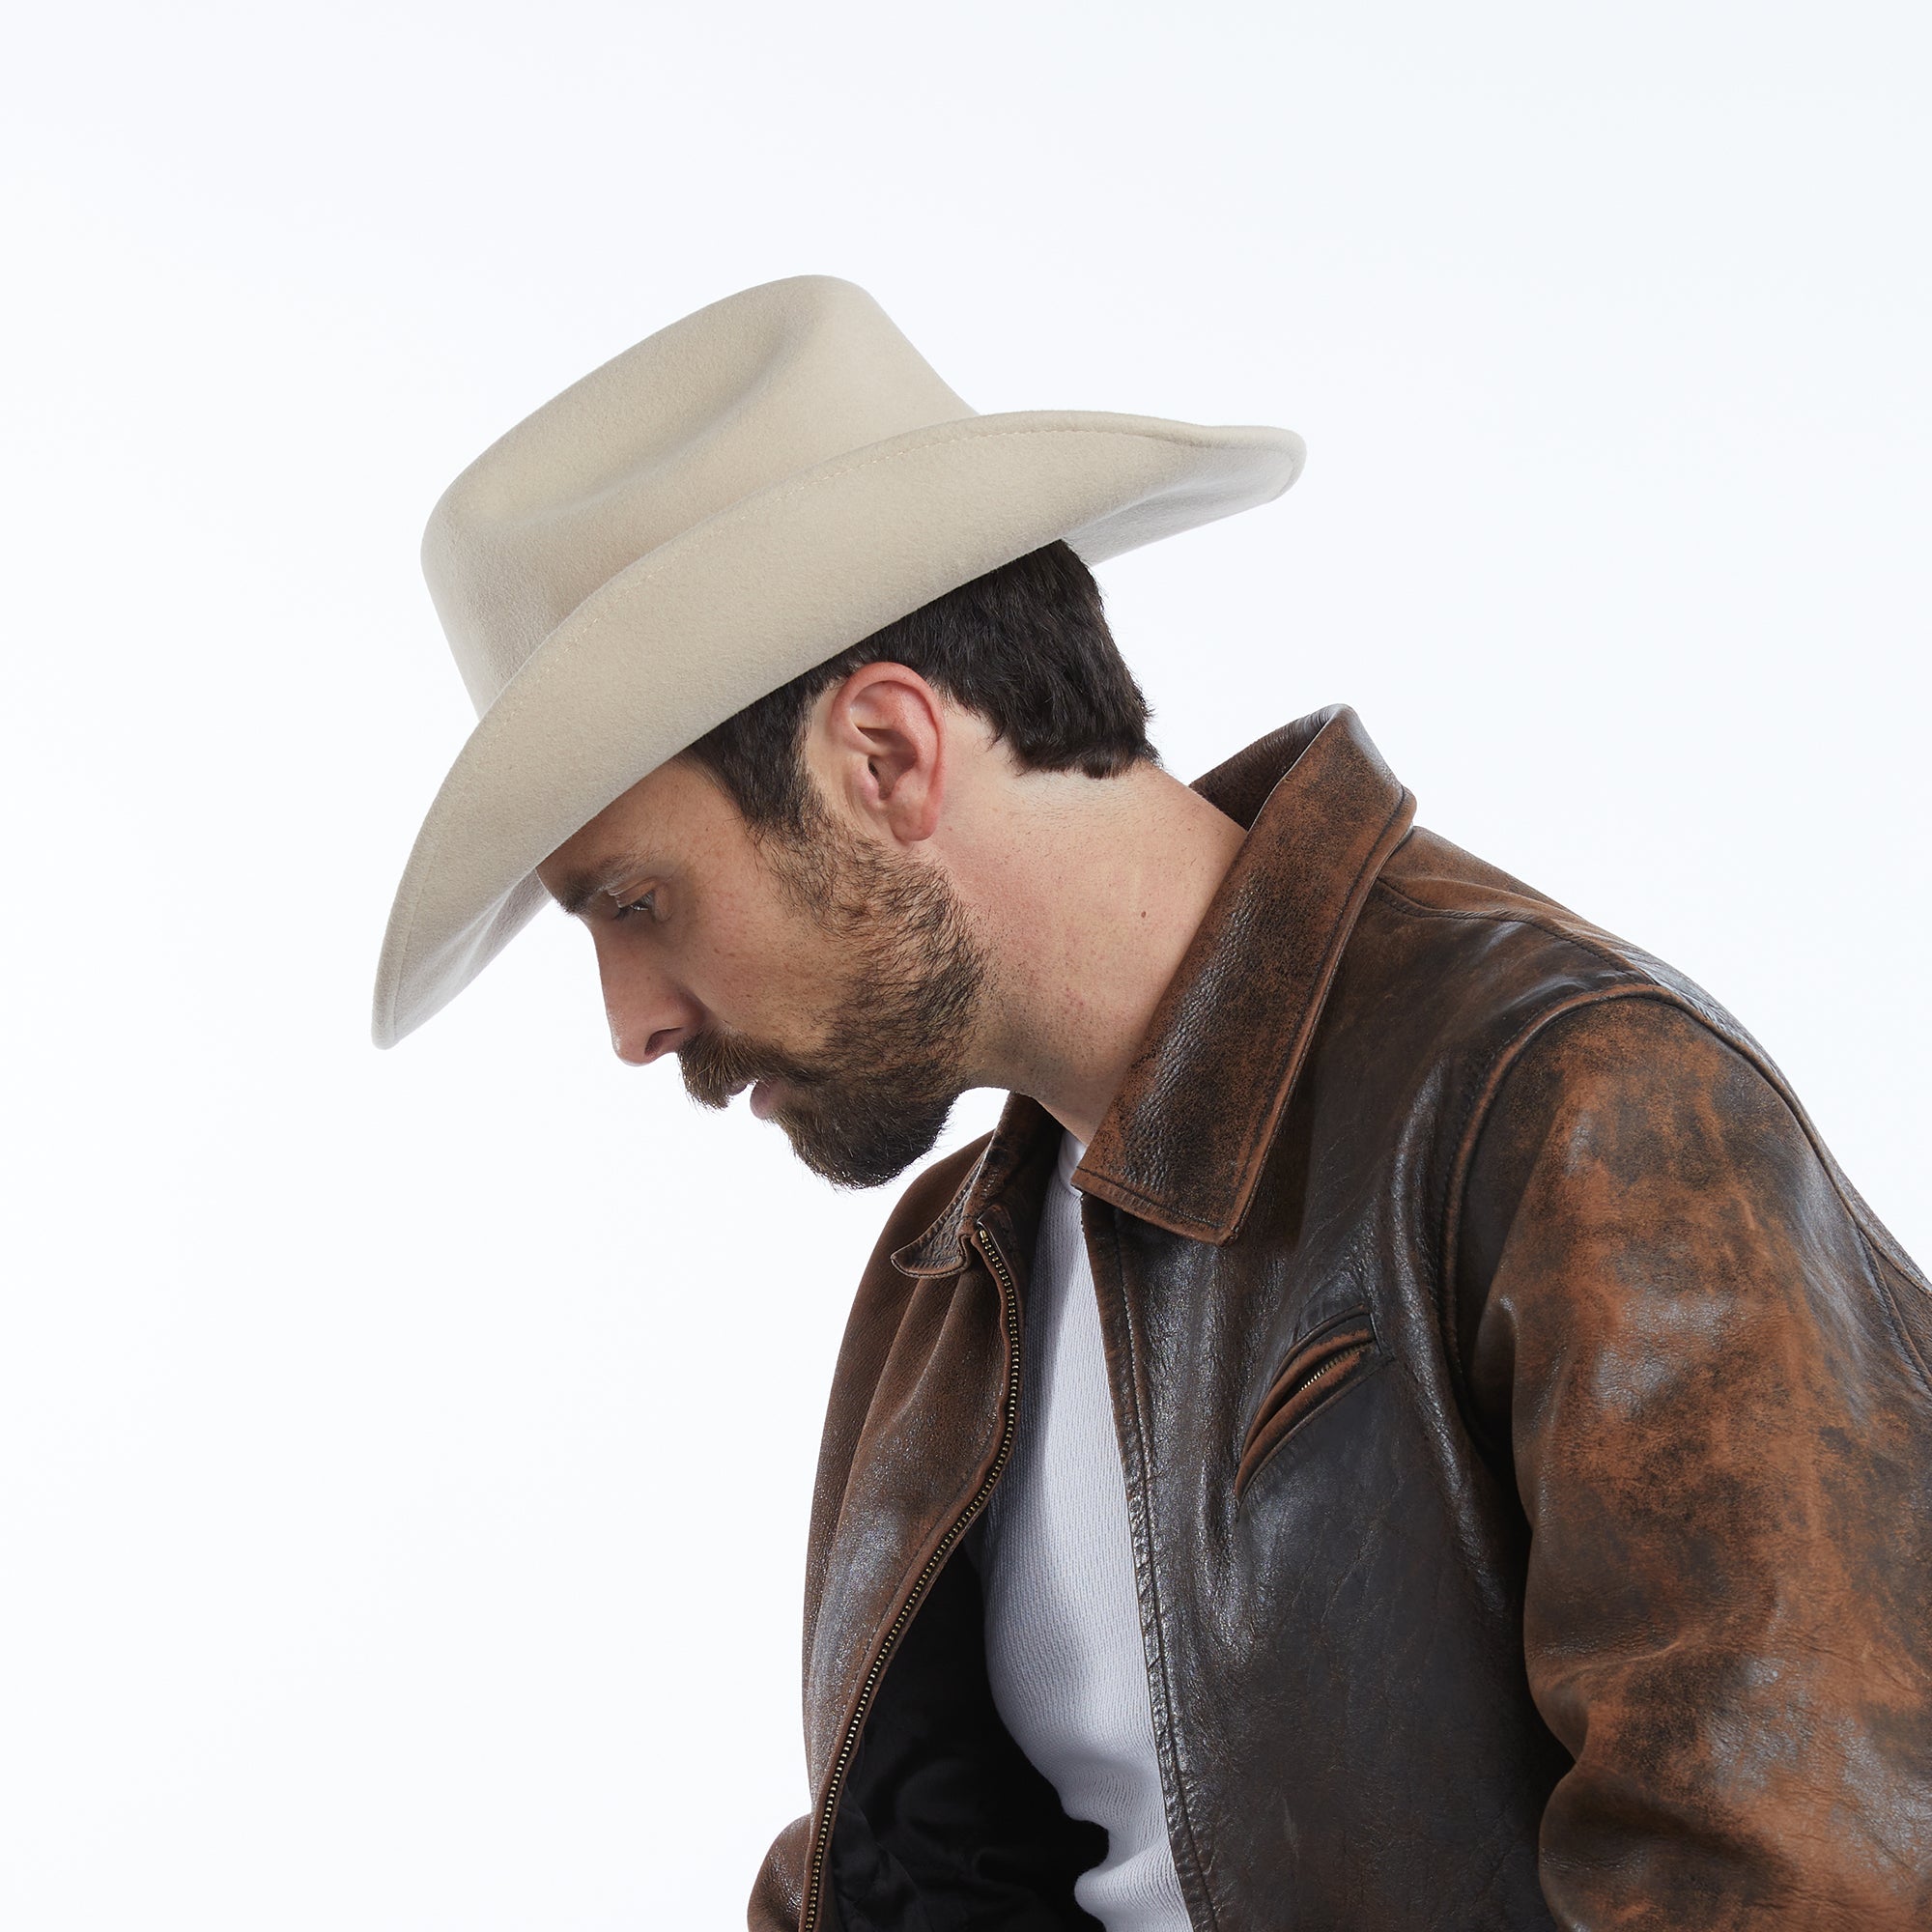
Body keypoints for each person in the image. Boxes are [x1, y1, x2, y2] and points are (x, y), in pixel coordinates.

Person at [374, 276, 1932, 1931]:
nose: (632, 1024)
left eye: (636, 902)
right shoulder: (950, 1280)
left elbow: (1802, 1875)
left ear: (886, 755)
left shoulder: (1562, 1102)